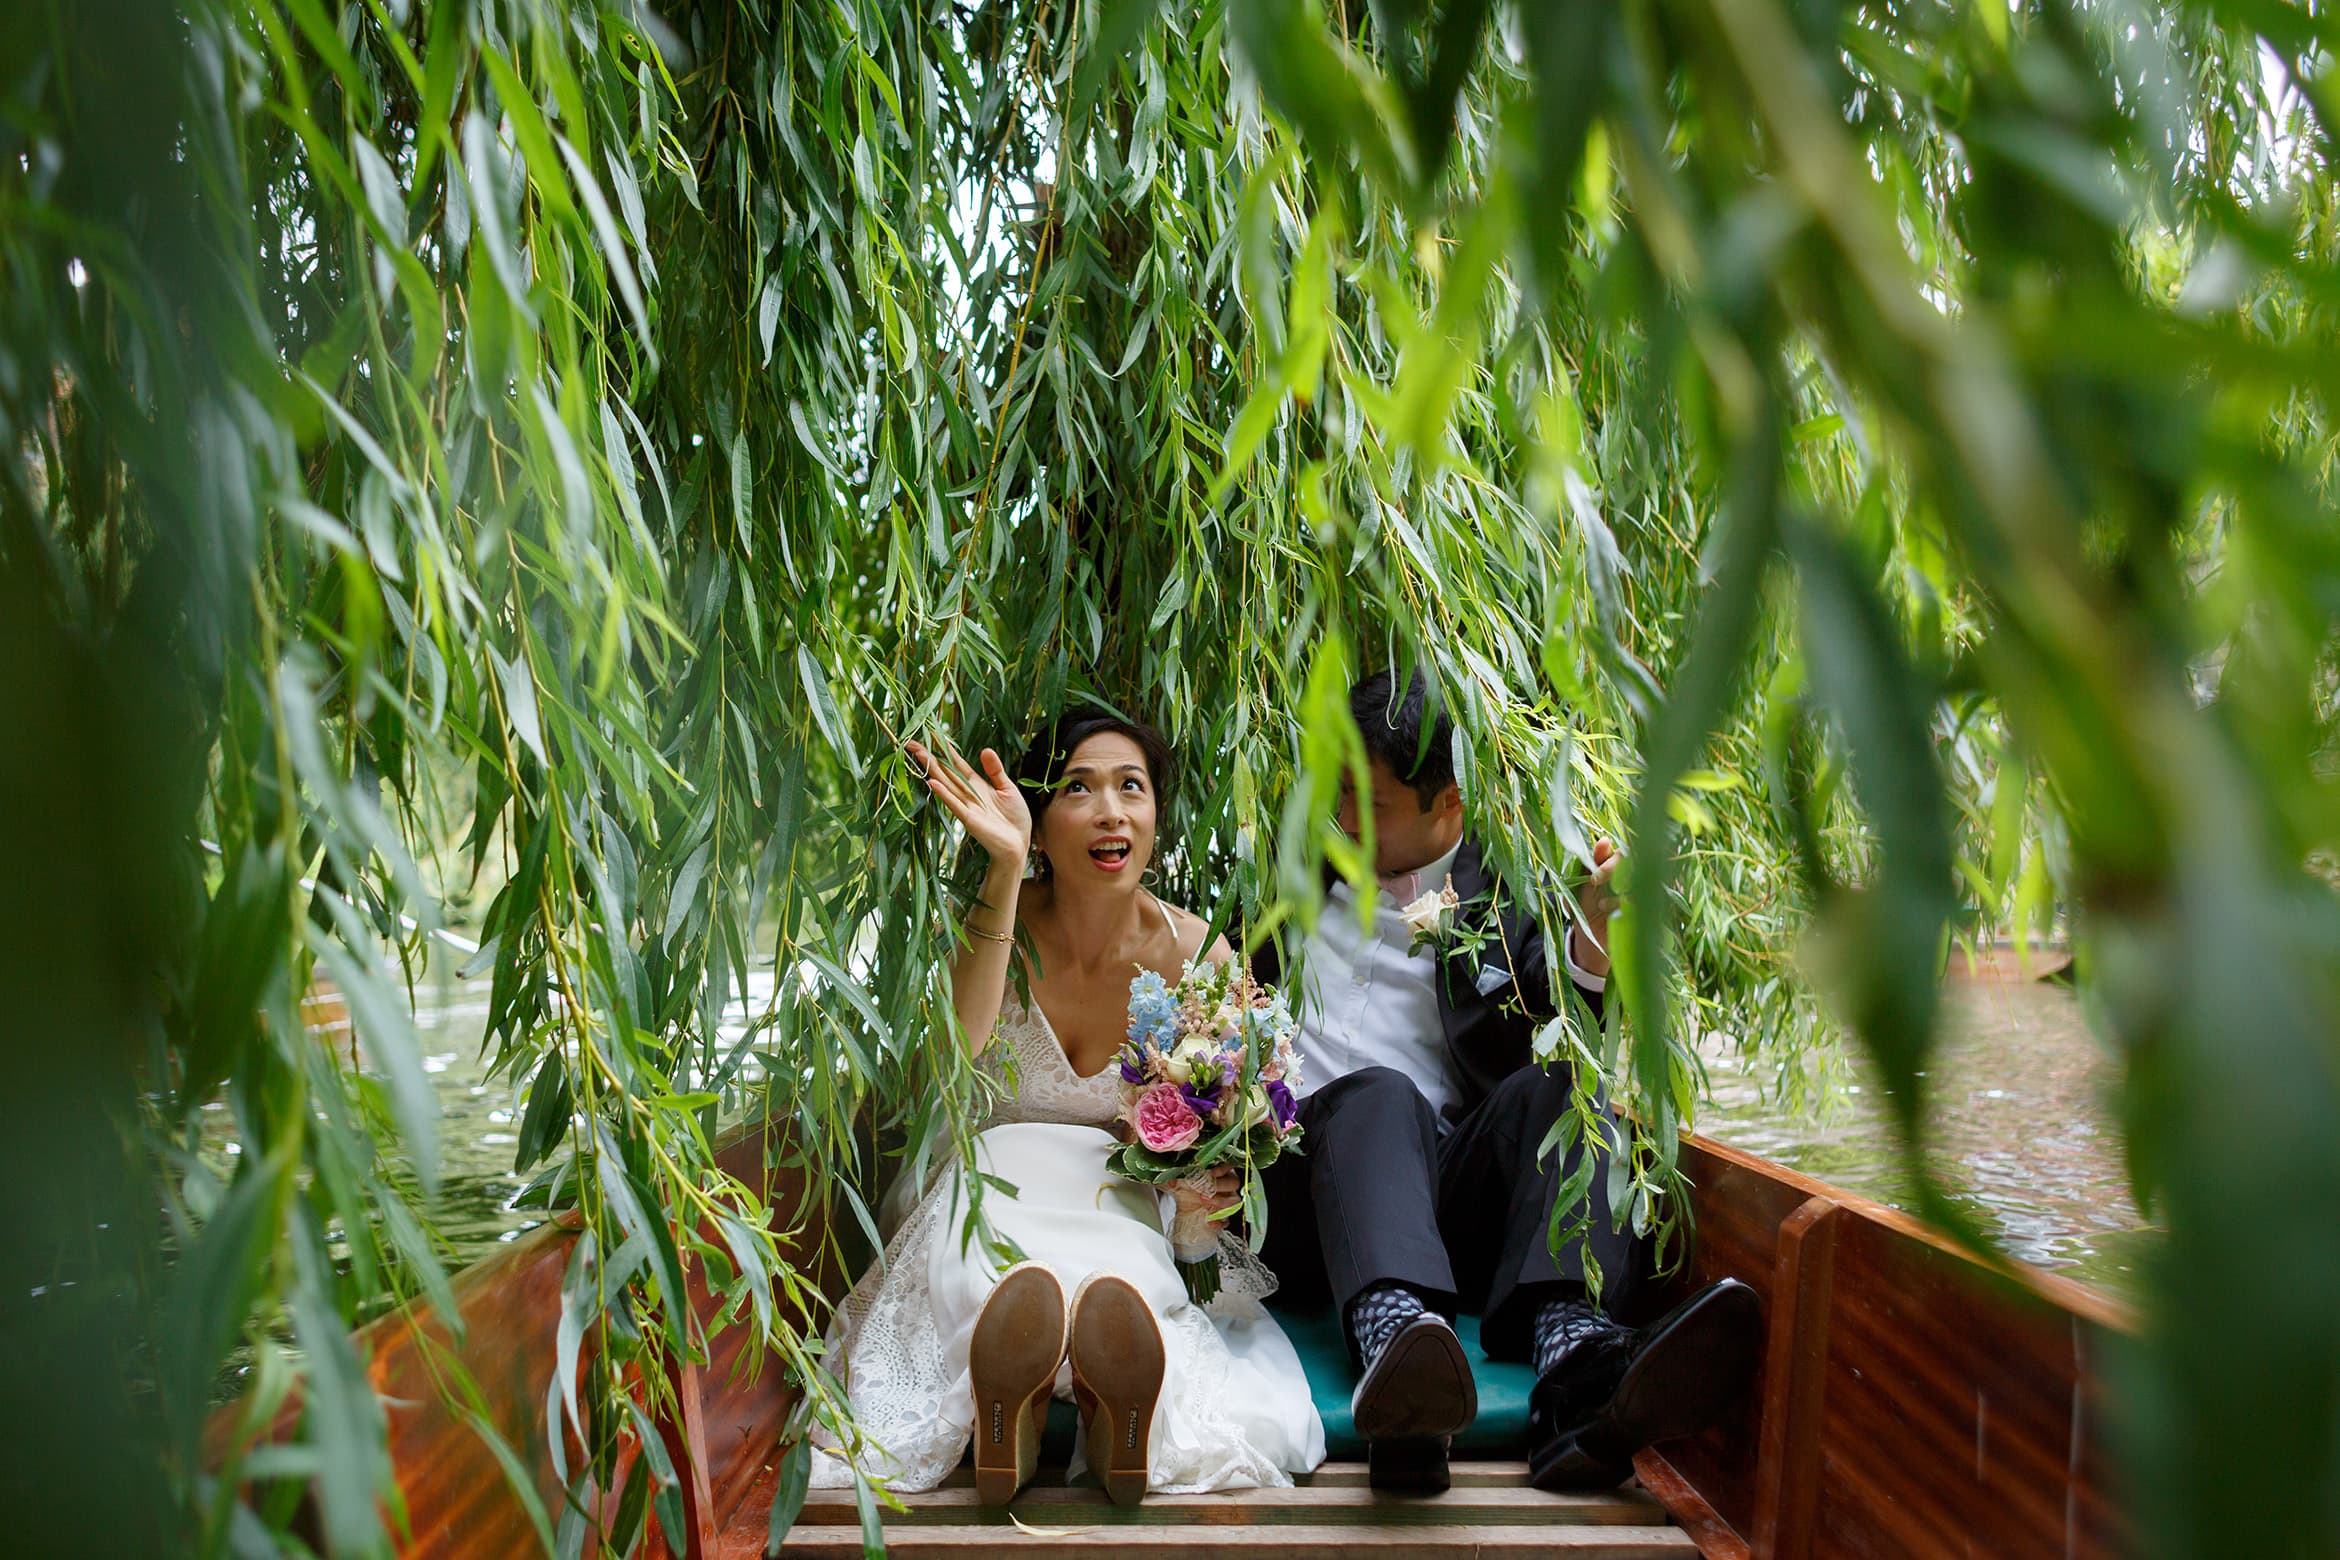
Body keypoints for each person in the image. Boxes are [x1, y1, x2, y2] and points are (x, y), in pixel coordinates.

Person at [1256, 669, 1760, 1492]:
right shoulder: (1285, 866)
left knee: (1563, 1087)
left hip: (1430, 1203)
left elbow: (1556, 1017)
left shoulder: (1509, 886)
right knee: (1380, 1093)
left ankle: (1572, 1362)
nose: (1341, 818)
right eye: (1334, 792)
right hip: (1298, 1196)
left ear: (1449, 802)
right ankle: (1396, 1344)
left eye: (1369, 803)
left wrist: (1594, 937)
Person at [810, 707, 1325, 1504]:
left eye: (1131, 786)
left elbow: (1234, 1132)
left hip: (1116, 1196)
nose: (1111, 809)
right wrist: (1002, 870)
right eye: (1078, 788)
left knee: (1122, 1281)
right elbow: (958, 1057)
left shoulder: (1201, 957)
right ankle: (1013, 1399)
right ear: (1041, 826)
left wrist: (1205, 1190)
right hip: (987, 1183)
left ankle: (1105, 1401)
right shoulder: (986, 926)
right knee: (986, 1271)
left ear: (1155, 817)